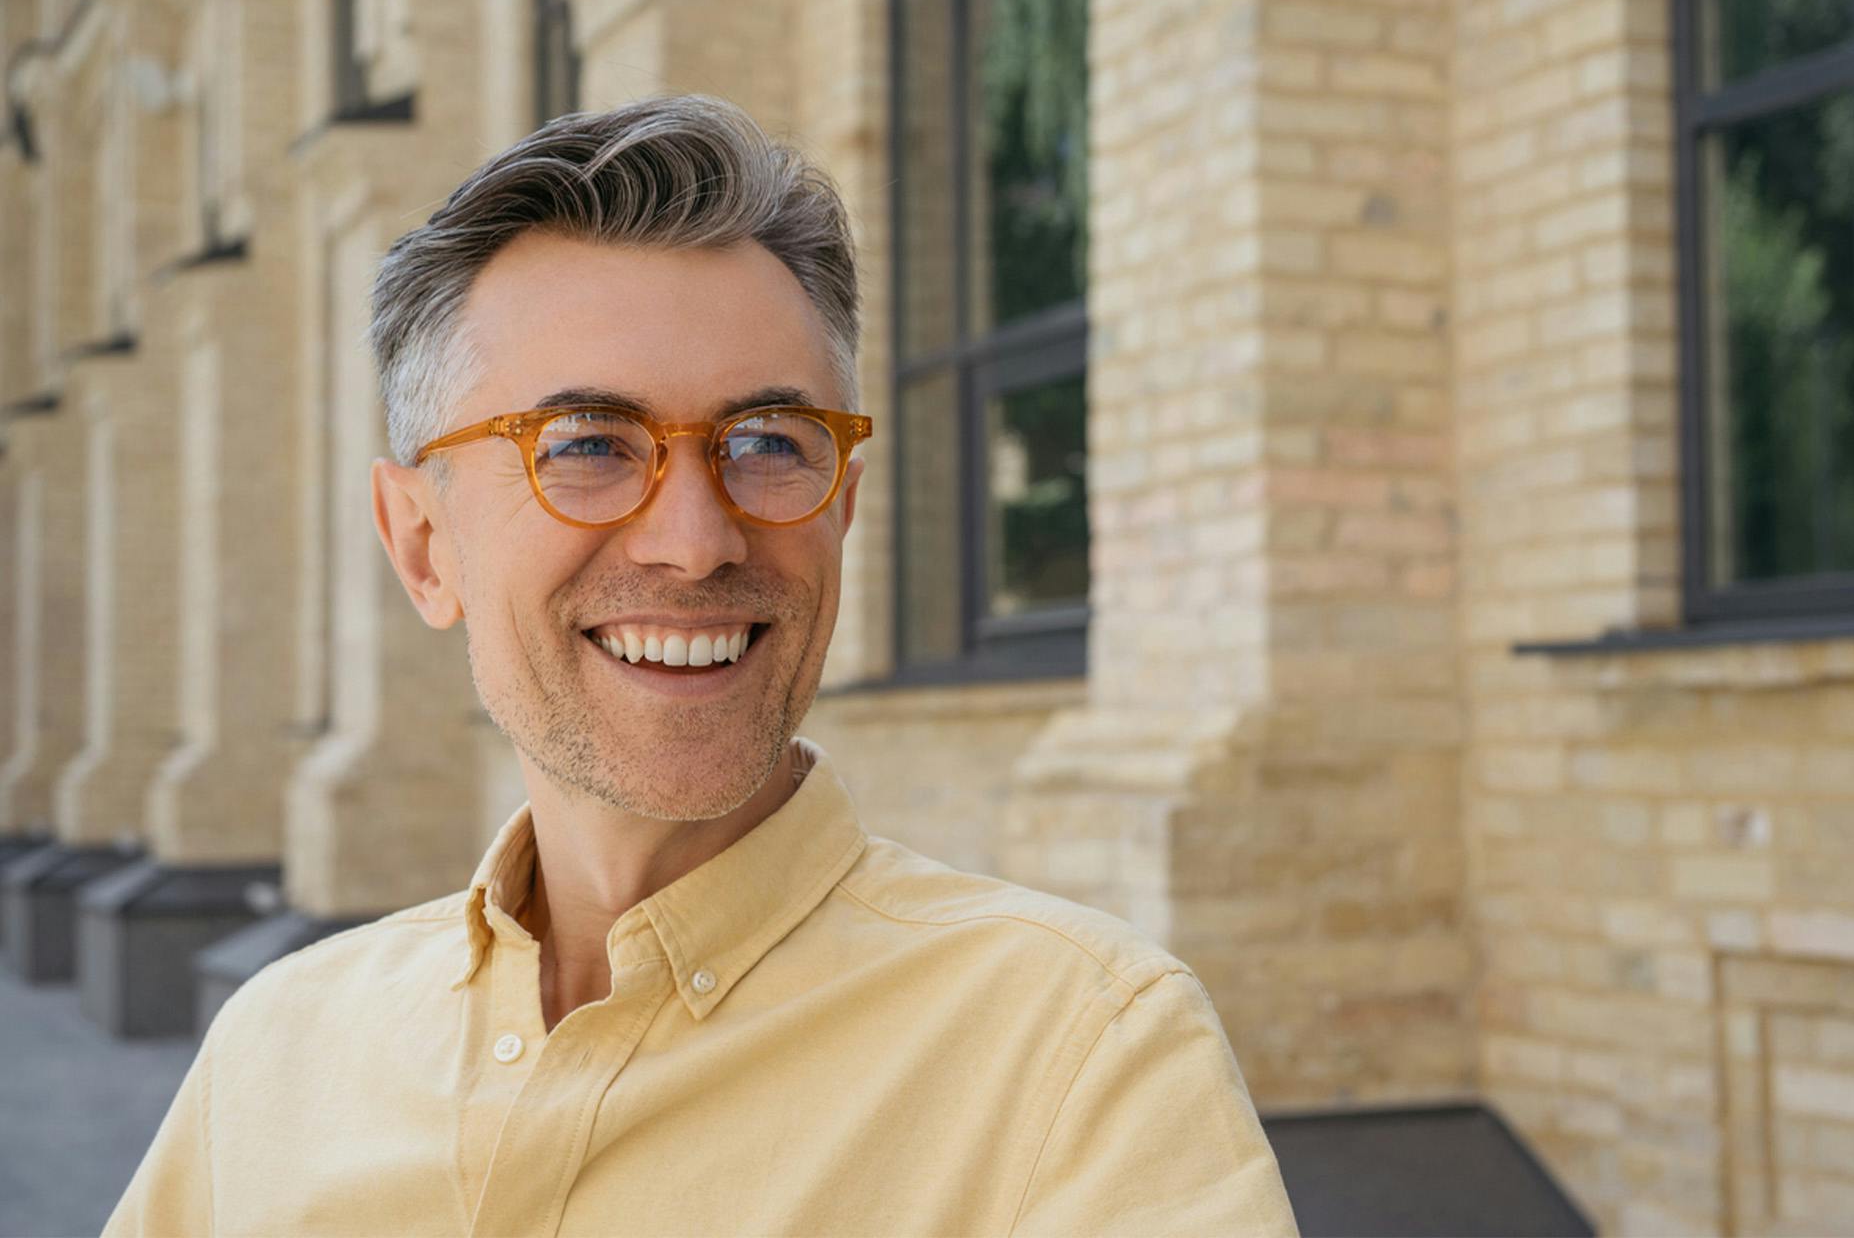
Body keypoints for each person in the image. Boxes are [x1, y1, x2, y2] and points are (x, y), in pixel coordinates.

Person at [106, 94, 1297, 1237]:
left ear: (844, 511)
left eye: (772, 443)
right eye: (585, 444)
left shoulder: (1080, 1056)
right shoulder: (275, 1052)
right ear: (424, 544)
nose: (695, 543)